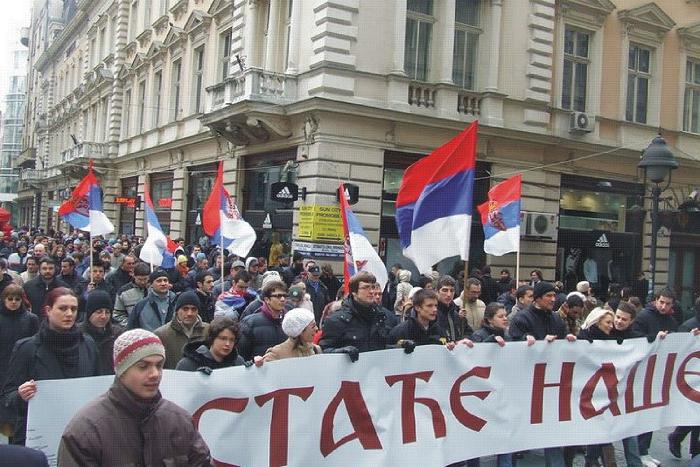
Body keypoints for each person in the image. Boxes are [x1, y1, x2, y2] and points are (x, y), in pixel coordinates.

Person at [57, 329, 211, 466]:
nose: (155, 374)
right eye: (143, 366)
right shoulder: (86, 430)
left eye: (159, 365)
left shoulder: (179, 421)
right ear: (122, 370)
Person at [2, 288, 98, 445]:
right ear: (48, 310)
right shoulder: (27, 348)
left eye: (73, 309)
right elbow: (8, 396)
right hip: (37, 436)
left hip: (79, 435)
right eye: (63, 308)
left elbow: (97, 389)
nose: (69, 314)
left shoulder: (88, 345)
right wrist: (21, 395)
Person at [507, 281, 575, 467]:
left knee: (551, 428)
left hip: (551, 382)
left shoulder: (556, 319)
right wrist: (532, 341)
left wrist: (568, 340)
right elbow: (513, 343)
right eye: (549, 296)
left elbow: (563, 337)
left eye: (554, 296)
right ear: (537, 298)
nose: (553, 299)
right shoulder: (522, 318)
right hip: (527, 383)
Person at [319, 272, 393, 361]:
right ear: (354, 292)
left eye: (373, 287)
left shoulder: (380, 317)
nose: (371, 291)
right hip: (349, 368)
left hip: (375, 367)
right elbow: (323, 350)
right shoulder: (337, 320)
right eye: (365, 288)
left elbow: (381, 347)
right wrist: (341, 352)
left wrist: (399, 346)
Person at [0, 284, 39, 439]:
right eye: (10, 299)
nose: (14, 302)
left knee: (19, 415)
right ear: (4, 299)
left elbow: (36, 344)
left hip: (23, 372)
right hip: (2, 369)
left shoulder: (31, 319)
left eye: (17, 299)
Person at [154, 291, 209, 370]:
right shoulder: (161, 334)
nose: (189, 313)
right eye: (185, 309)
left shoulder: (208, 330)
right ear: (177, 310)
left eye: (193, 309)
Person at [237, 281, 288, 360]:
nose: (282, 299)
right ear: (267, 299)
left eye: (284, 296)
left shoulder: (290, 321)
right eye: (278, 296)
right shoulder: (251, 323)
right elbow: (241, 354)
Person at [79, 290, 125, 375]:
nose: (104, 316)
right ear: (89, 313)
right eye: (99, 312)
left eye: (107, 312)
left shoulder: (117, 335)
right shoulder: (78, 334)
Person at [176, 316, 245, 371]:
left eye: (232, 340)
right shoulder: (187, 364)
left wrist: (248, 372)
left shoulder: (238, 363)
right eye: (223, 338)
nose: (228, 344)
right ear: (212, 339)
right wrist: (197, 377)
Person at [435, 275, 472, 342]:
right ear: (437, 291)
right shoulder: (432, 312)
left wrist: (464, 340)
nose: (449, 294)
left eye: (452, 291)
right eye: (445, 290)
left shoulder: (457, 312)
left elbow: (468, 333)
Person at [113, 262, 150, 327]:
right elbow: (118, 314)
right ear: (134, 276)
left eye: (145, 279)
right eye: (140, 279)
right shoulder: (123, 292)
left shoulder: (154, 289)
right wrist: (129, 325)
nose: (143, 282)